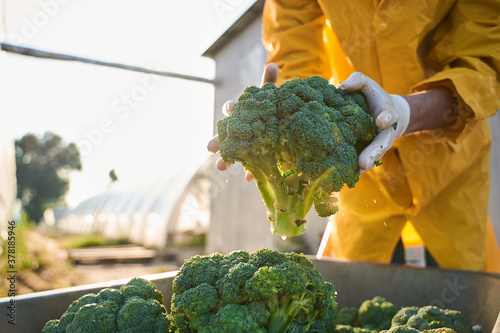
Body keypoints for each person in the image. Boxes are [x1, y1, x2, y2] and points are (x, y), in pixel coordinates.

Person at [208, 0, 500, 272]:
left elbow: (485, 63)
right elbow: (292, 45)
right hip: (359, 167)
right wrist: (276, 121)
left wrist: (406, 111)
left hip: (449, 168)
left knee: (463, 302)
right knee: (358, 309)